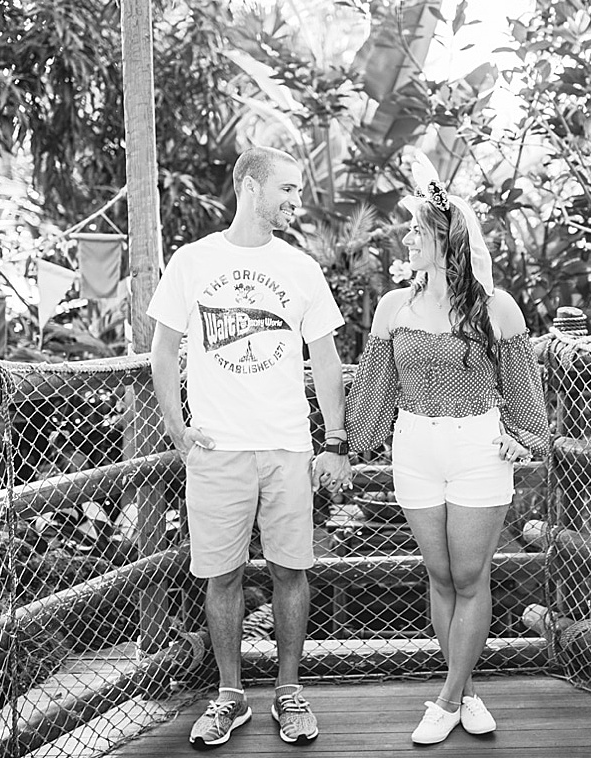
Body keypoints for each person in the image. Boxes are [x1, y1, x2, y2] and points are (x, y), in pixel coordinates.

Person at [147, 146, 353, 750]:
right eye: (286, 189)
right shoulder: (192, 261)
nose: (296, 200)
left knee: (292, 571)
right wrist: (177, 430)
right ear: (249, 187)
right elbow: (165, 351)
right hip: (217, 450)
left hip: (288, 446)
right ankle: (231, 696)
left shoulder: (300, 268)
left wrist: (334, 440)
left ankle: (289, 692)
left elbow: (327, 359)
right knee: (222, 575)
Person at [345, 147, 550, 745]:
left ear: (447, 240)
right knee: (438, 574)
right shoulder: (393, 308)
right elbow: (374, 385)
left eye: (416, 229)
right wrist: (352, 449)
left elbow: (524, 392)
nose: (406, 238)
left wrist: (525, 439)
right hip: (414, 447)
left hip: (477, 448)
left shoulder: (496, 308)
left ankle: (443, 700)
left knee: (469, 574)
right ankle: (464, 691)